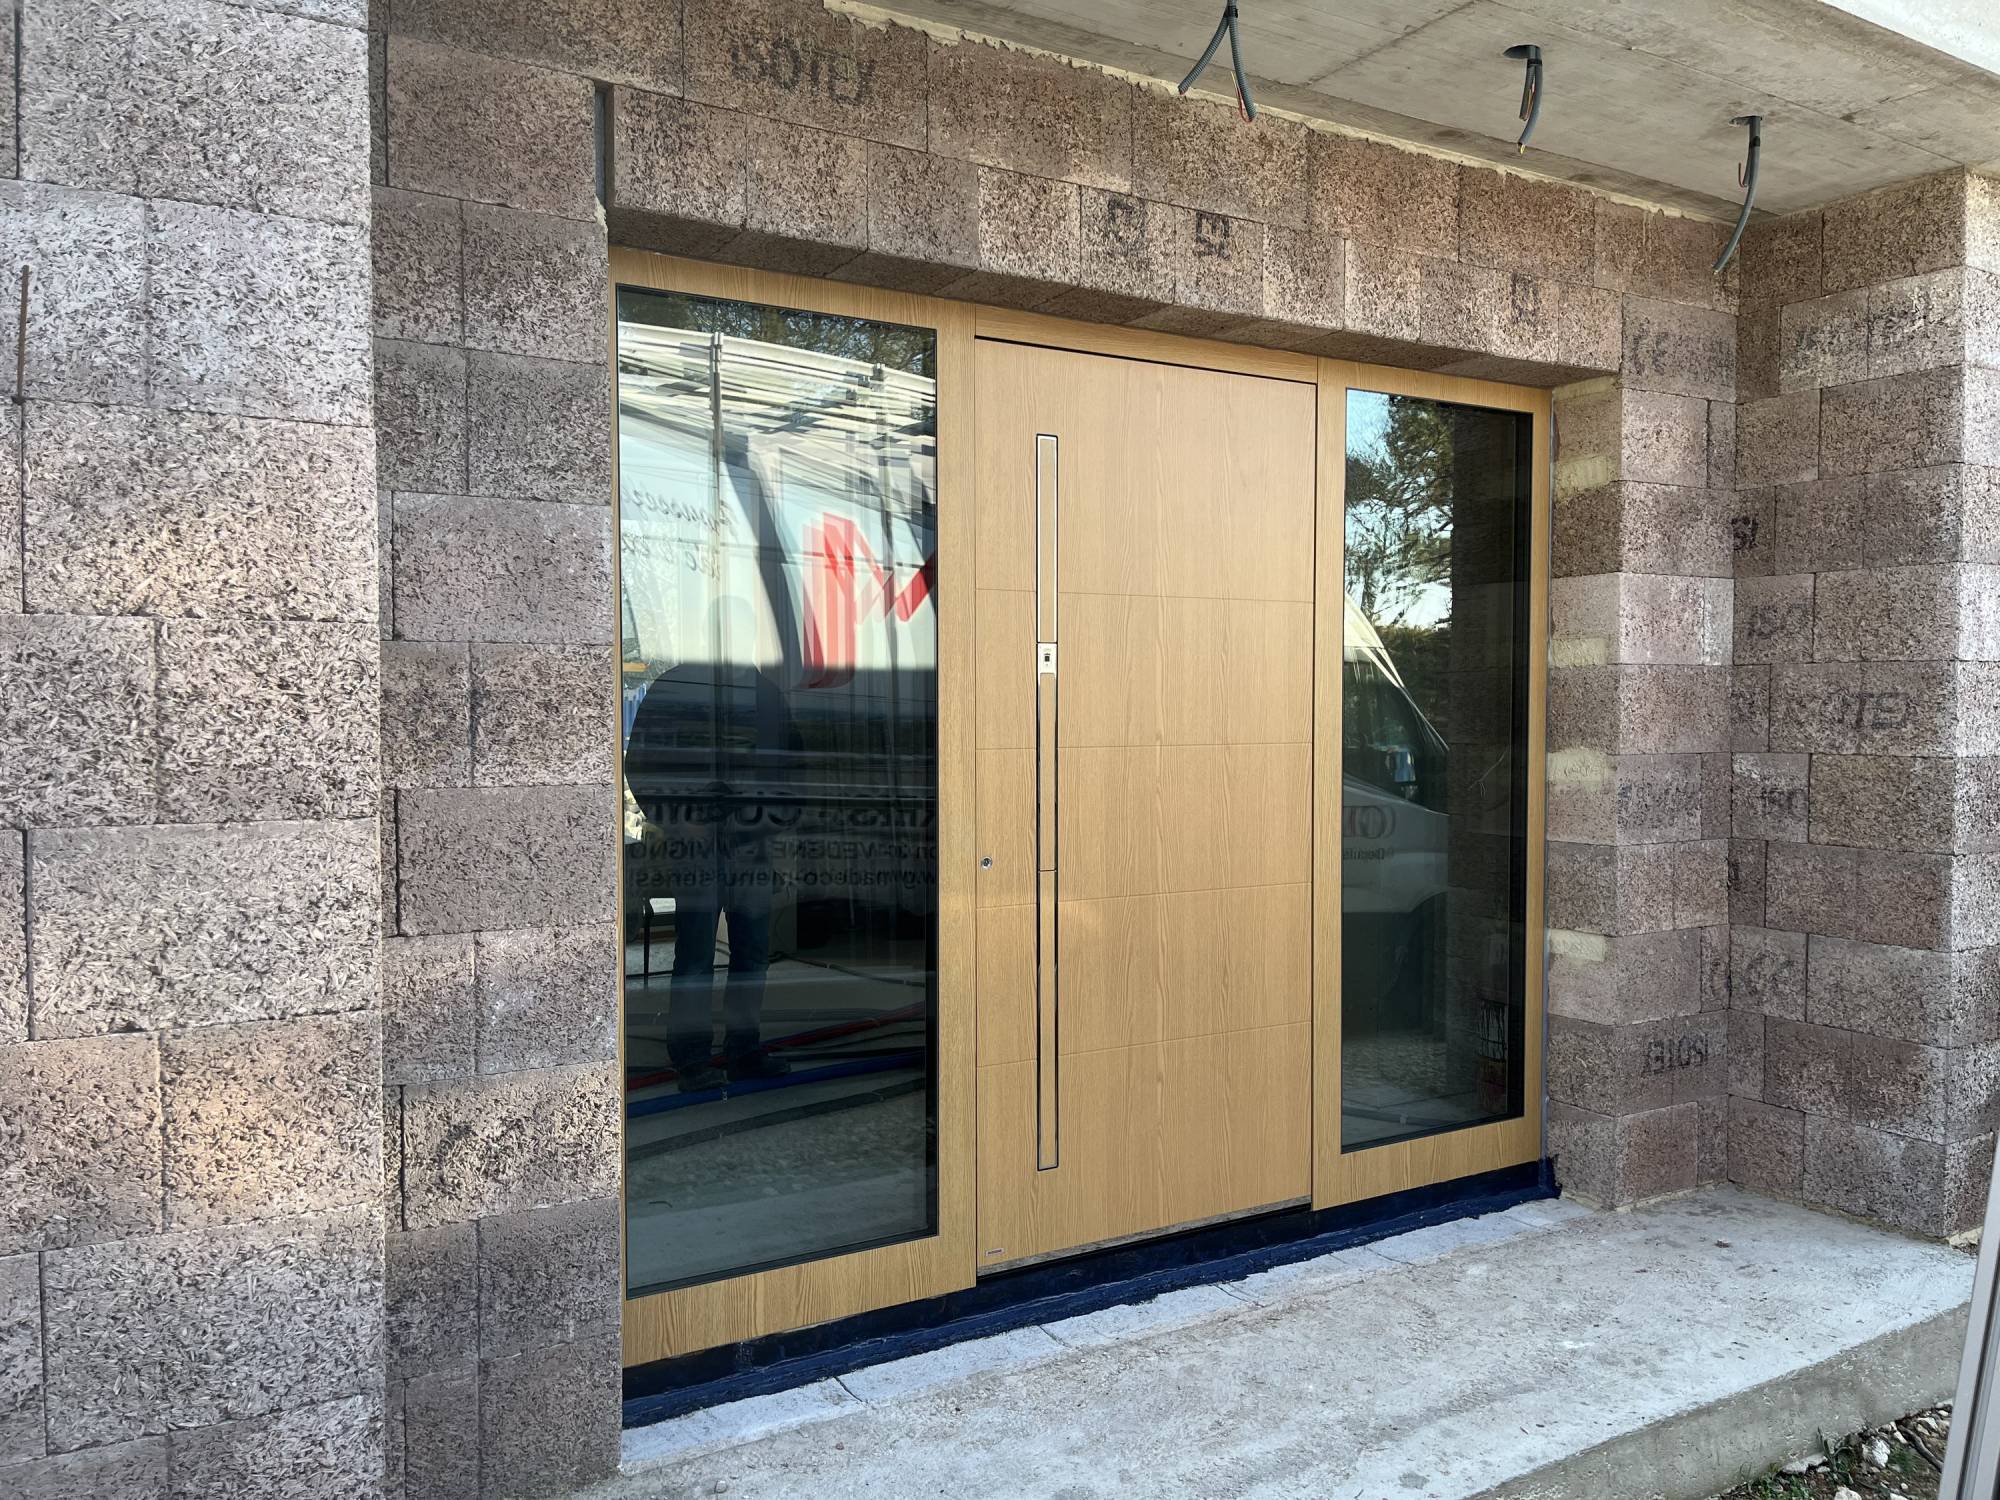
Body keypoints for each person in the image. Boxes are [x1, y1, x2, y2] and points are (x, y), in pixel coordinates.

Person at [625, 597, 799, 1092]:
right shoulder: (677, 688)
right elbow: (643, 763)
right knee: (698, 953)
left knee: (750, 952)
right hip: (697, 847)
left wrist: (771, 824)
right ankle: (693, 1060)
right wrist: (679, 823)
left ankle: (743, 1051)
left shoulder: (765, 697)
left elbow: (793, 771)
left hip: (750, 847)